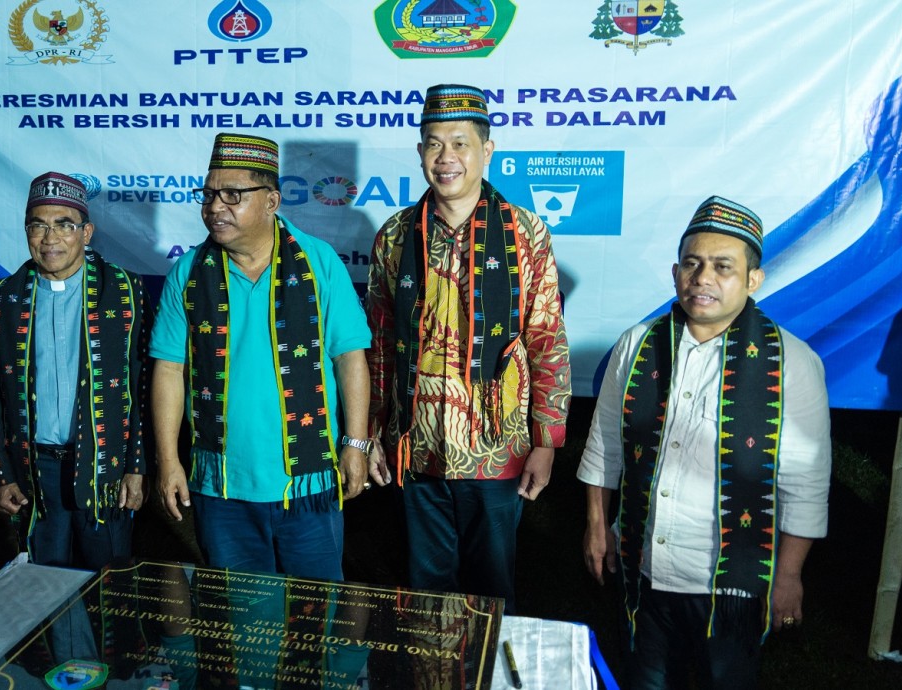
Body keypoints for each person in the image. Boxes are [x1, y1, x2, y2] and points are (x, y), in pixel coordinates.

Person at [577, 196, 832, 689]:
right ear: (676, 273)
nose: (703, 278)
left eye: (722, 267)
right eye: (692, 264)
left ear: (752, 280)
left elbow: (805, 482)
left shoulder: (791, 363)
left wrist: (789, 576)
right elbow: (605, 442)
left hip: (734, 578)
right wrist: (596, 526)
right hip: (644, 564)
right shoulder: (638, 343)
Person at [364, 84, 571, 614]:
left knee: (491, 591)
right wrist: (371, 434)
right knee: (423, 590)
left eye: (460, 143)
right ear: (419, 154)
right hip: (416, 446)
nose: (446, 157)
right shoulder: (394, 236)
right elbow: (380, 345)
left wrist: (546, 442)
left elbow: (546, 338)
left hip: (498, 447)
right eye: (433, 144)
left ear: (488, 149)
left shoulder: (526, 232)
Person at [151, 133, 373, 581]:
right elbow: (169, 369)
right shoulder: (189, 273)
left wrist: (355, 444)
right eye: (209, 195)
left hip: (308, 483)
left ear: (271, 200)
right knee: (242, 627)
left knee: (316, 620)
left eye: (233, 195)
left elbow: (350, 359)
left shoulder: (319, 263)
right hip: (221, 487)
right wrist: (169, 461)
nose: (215, 207)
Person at [0, 171, 150, 574]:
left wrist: (137, 467)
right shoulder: (1, 298)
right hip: (34, 470)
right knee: (43, 582)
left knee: (111, 581)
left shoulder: (124, 290)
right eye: (37, 225)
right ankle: (65, 641)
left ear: (86, 233)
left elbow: (142, 386)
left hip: (105, 466)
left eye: (64, 225)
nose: (49, 238)